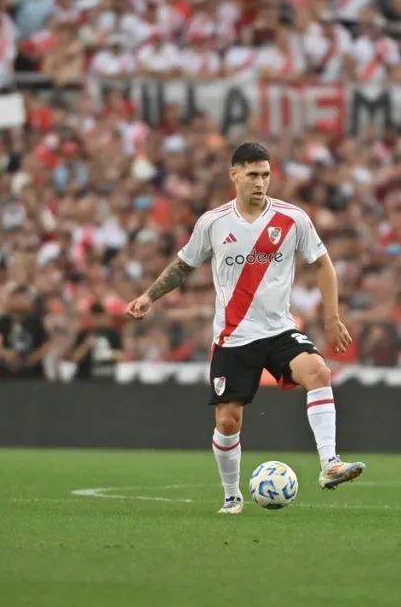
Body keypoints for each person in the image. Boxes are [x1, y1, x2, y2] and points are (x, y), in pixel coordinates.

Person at [125, 141, 366, 514]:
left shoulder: (293, 218)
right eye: (252, 175)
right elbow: (183, 266)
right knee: (227, 420)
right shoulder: (213, 223)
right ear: (234, 175)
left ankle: (330, 463)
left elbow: (323, 263)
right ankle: (232, 495)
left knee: (319, 371)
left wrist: (332, 318)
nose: (260, 182)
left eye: (266, 175)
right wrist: (148, 297)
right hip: (234, 336)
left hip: (279, 330)